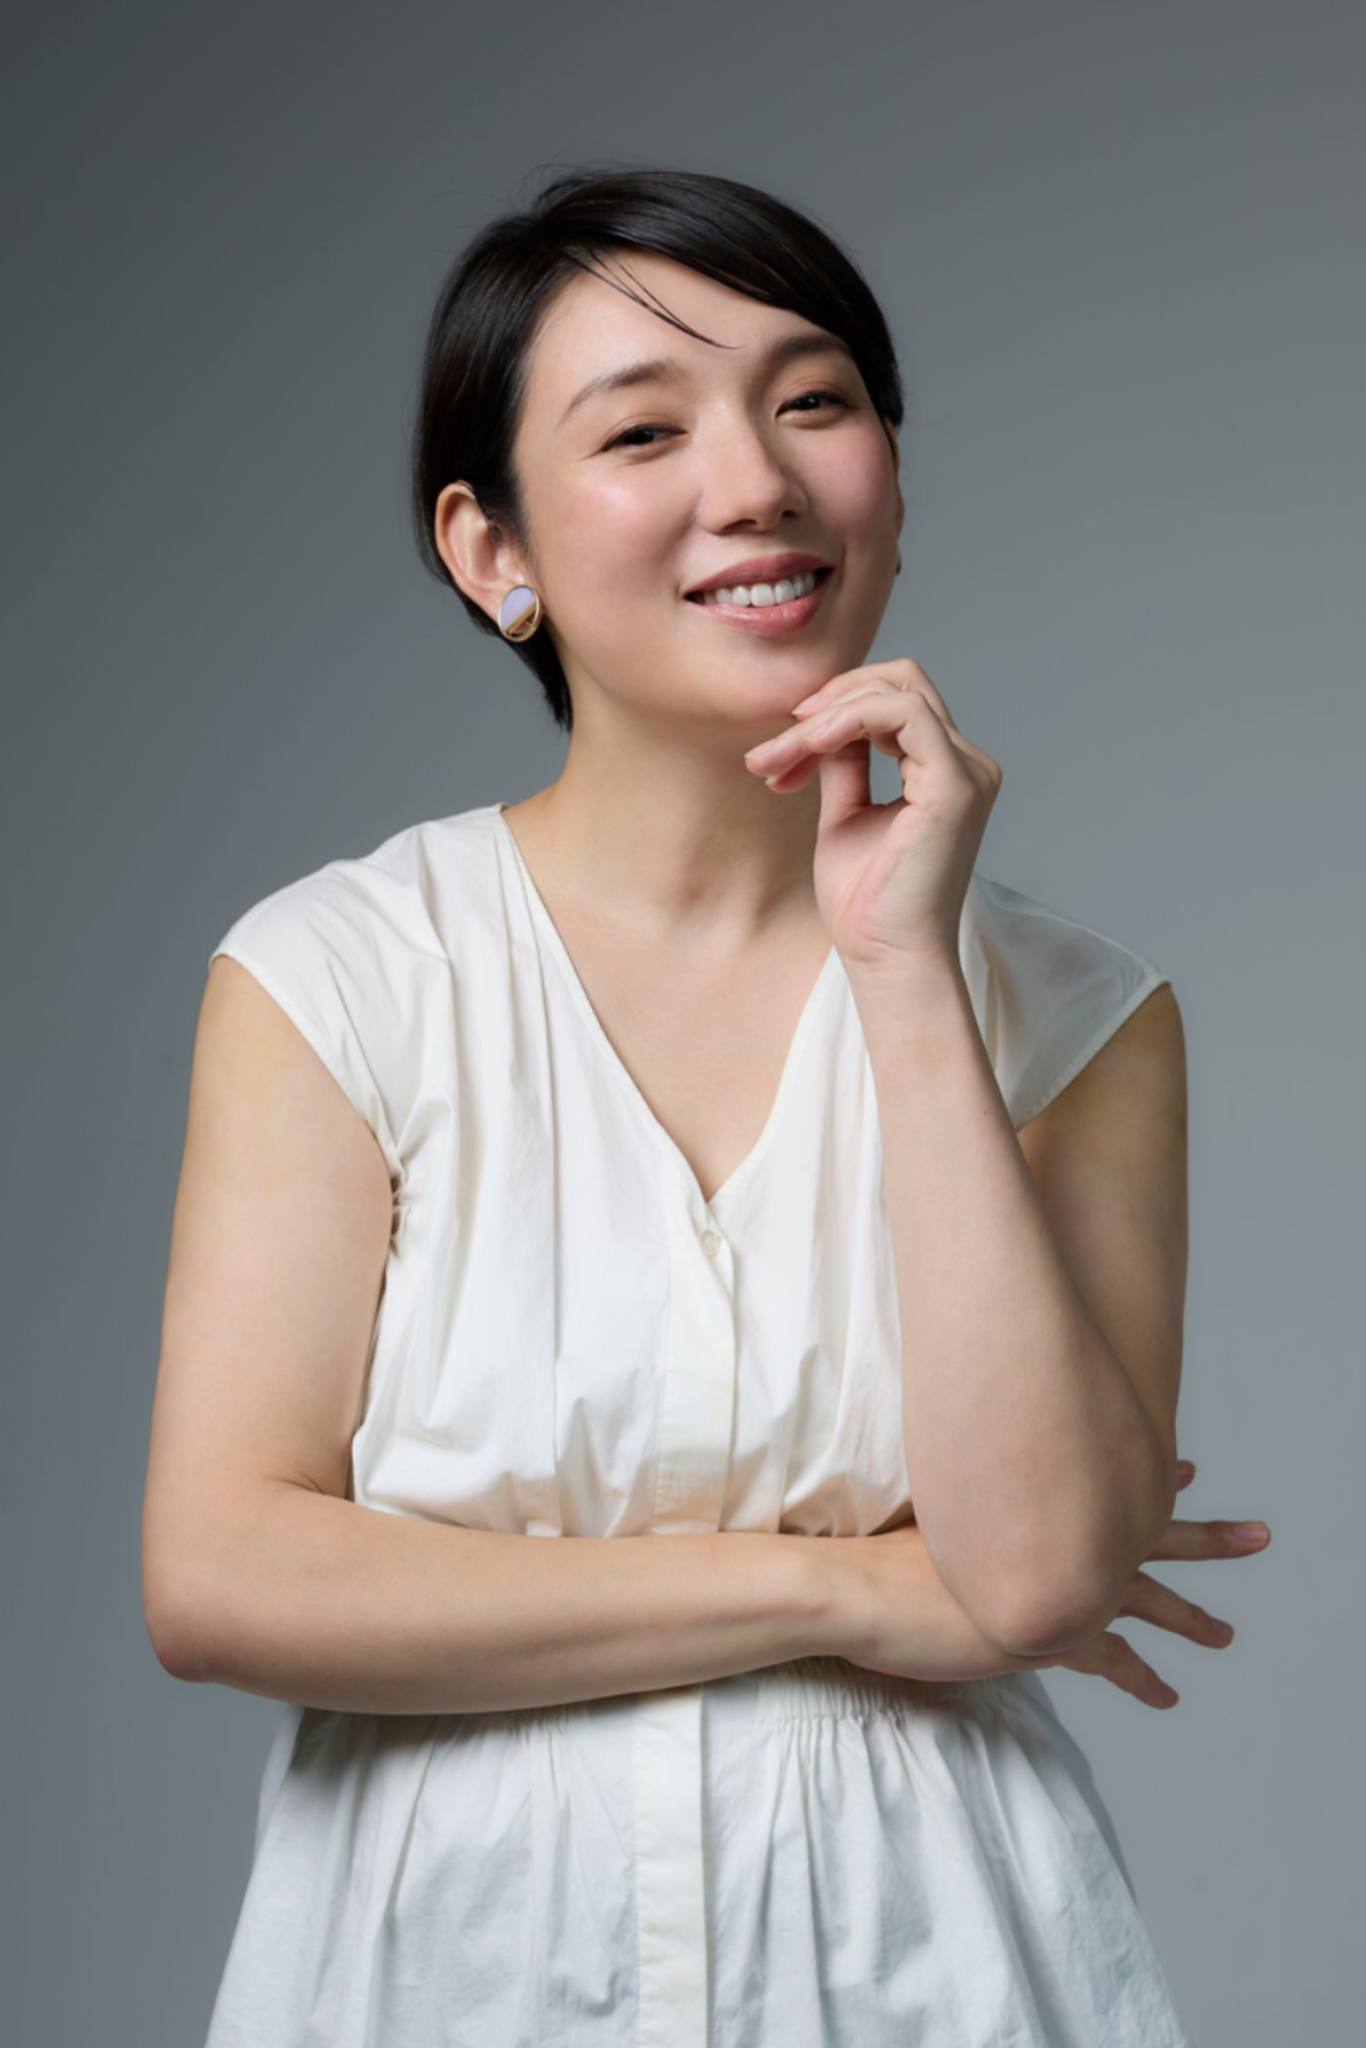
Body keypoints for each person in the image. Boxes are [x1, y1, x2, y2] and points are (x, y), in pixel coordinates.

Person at [143, 165, 1272, 2046]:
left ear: (889, 481)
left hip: (939, 1968)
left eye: (812, 402)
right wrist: (851, 1597)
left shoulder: (1079, 1018)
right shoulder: (339, 975)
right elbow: (221, 1577)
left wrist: (903, 971)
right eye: (643, 430)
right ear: (488, 551)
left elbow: (1032, 1574)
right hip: (443, 1970)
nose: (753, 482)